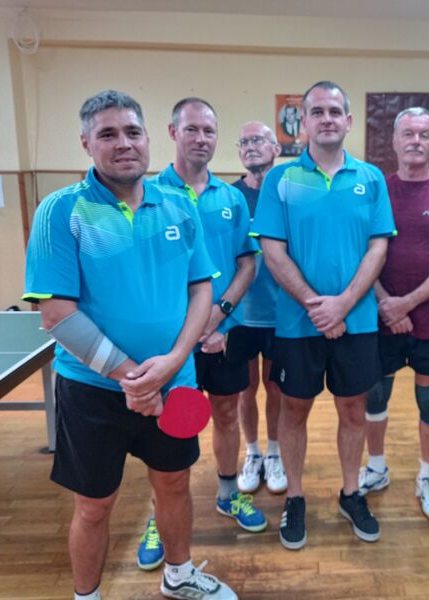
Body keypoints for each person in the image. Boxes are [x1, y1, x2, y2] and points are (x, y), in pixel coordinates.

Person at [23, 90, 236, 600]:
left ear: (147, 138)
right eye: (108, 134)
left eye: (132, 132)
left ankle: (179, 576)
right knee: (94, 505)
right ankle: (87, 595)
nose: (124, 143)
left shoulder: (178, 206)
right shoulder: (61, 210)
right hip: (92, 391)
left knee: (175, 485)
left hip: (175, 382)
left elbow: (201, 289)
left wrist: (175, 361)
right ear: (86, 143)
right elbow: (56, 314)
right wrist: (134, 379)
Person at [252, 81, 395, 550]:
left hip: (358, 322)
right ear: (304, 123)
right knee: (294, 409)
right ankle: (295, 497)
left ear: (349, 121)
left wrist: (344, 304)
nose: (327, 118)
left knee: (353, 409)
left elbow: (378, 247)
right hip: (299, 324)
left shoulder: (371, 178)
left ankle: (351, 493)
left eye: (335, 110)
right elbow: (272, 251)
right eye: (317, 111)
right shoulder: (280, 180)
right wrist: (319, 306)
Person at [135, 98, 266, 570]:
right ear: (173, 132)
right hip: (173, 345)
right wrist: (188, 332)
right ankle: (160, 516)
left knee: (228, 414)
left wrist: (220, 315)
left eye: (209, 131)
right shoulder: (149, 194)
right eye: (192, 129)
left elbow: (247, 264)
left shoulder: (231, 198)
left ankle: (228, 493)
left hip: (224, 335)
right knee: (168, 431)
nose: (201, 138)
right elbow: (147, 273)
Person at [358, 107, 429, 521]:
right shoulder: (376, 189)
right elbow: (362, 253)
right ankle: (376, 468)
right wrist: (386, 303)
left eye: (424, 135)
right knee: (376, 396)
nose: (416, 141)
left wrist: (404, 304)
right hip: (380, 315)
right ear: (394, 140)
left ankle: (427, 476)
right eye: (408, 133)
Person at [228, 121, 286, 495]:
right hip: (240, 314)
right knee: (245, 389)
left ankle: (275, 453)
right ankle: (252, 453)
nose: (251, 146)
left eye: (259, 140)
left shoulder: (288, 193)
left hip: (282, 314)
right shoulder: (230, 196)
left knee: (275, 387)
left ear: (276, 148)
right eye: (244, 141)